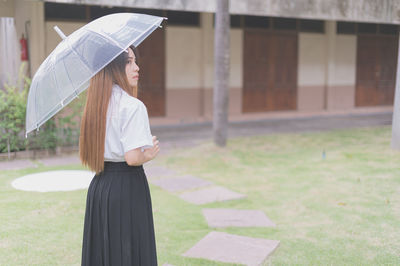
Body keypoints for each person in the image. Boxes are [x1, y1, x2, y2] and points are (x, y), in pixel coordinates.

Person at [79, 45, 160, 266]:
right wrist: (148, 154)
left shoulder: (94, 107)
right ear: (113, 67)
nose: (137, 67)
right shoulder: (132, 106)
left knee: (104, 255)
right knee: (130, 253)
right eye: (129, 62)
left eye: (135, 61)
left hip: (100, 186)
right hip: (127, 186)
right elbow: (132, 158)